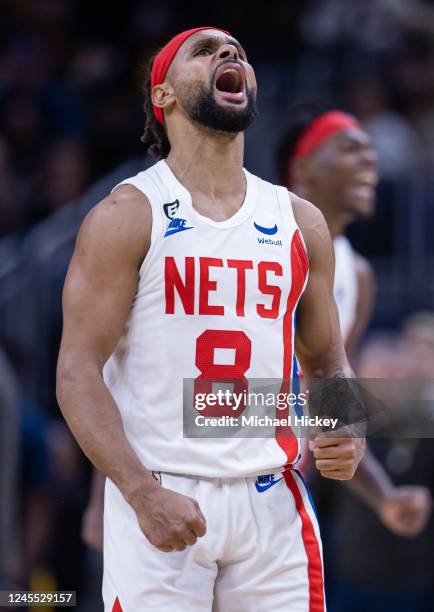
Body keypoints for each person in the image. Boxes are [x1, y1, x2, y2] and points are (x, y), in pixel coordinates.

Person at [57, 27, 365, 611]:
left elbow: (328, 362)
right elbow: (77, 372)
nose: (231, 55)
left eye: (240, 53)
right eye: (205, 51)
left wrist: (347, 425)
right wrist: (138, 492)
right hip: (161, 490)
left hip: (272, 498)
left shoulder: (301, 221)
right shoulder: (126, 214)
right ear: (163, 95)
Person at [276, 106, 432, 536]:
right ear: (302, 168)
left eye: (371, 151)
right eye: (350, 148)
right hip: (203, 476)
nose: (371, 159)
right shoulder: (257, 243)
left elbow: (333, 407)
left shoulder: (358, 276)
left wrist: (385, 496)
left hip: (285, 491)